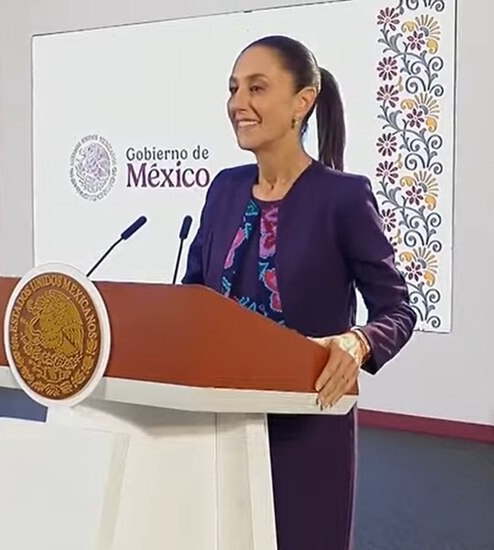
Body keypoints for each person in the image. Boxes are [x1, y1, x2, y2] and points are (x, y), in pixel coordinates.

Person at [181, 35, 416, 549]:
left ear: (302, 102)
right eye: (234, 88)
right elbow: (194, 293)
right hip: (218, 418)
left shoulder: (344, 197)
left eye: (257, 88)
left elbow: (397, 307)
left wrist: (358, 342)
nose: (238, 103)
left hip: (307, 423)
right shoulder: (222, 188)